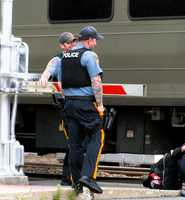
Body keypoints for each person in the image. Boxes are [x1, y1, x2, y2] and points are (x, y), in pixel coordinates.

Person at [62, 25, 105, 194]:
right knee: (96, 135)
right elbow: (96, 83)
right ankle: (88, 177)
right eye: (95, 40)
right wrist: (100, 104)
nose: (95, 43)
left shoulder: (65, 56)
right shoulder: (88, 56)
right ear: (90, 40)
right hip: (84, 104)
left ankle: (76, 183)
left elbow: (61, 82)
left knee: (75, 145)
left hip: (69, 104)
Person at [39, 31, 76, 186]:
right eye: (68, 43)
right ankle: (67, 179)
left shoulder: (80, 57)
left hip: (78, 103)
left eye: (73, 42)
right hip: (67, 105)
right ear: (62, 45)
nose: (72, 45)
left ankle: (70, 178)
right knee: (74, 142)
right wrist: (44, 78)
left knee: (77, 142)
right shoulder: (58, 59)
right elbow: (47, 72)